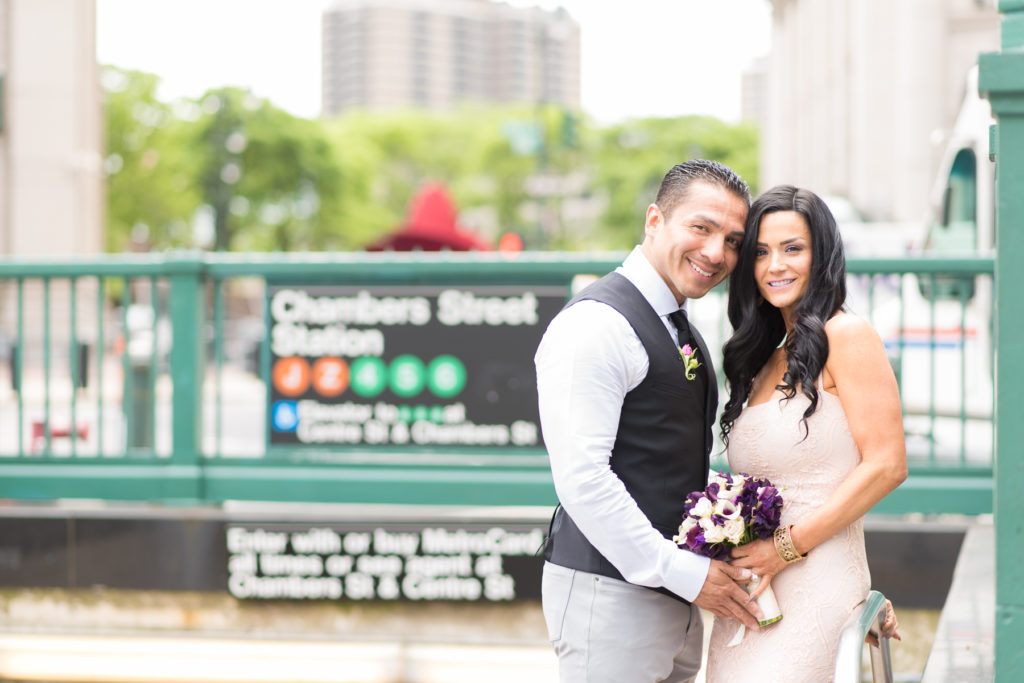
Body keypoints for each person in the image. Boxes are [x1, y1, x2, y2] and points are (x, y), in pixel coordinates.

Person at [536, 159, 762, 683]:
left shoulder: (674, 320)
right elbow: (582, 478)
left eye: (732, 240)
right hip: (611, 594)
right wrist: (682, 573)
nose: (716, 253)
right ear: (654, 220)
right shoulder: (596, 324)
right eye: (701, 228)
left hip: (672, 595)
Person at [705, 185, 907, 680]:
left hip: (817, 582)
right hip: (754, 596)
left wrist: (785, 547)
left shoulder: (848, 335)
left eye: (792, 248)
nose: (775, 265)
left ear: (822, 256)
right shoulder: (762, 358)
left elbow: (887, 464)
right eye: (760, 252)